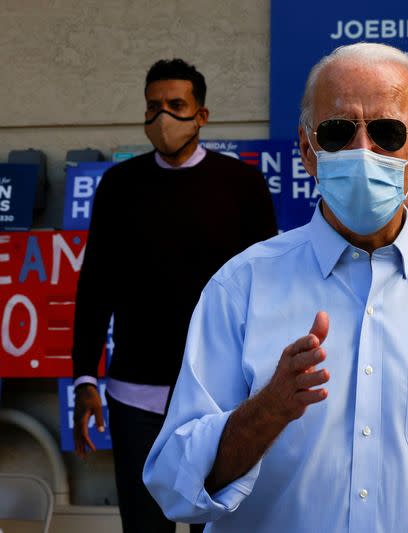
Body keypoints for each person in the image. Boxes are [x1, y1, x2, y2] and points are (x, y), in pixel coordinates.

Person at [143, 42, 408, 532]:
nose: (363, 151)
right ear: (307, 150)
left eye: (386, 132)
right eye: (338, 131)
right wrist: (265, 412)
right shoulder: (241, 287)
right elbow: (175, 485)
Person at [71, 58, 277, 533]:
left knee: (222, 526)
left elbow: (266, 290)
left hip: (221, 397)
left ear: (201, 114)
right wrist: (85, 376)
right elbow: (96, 284)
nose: (162, 117)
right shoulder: (119, 186)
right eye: (153, 106)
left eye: (176, 105)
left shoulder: (242, 185)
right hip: (135, 396)